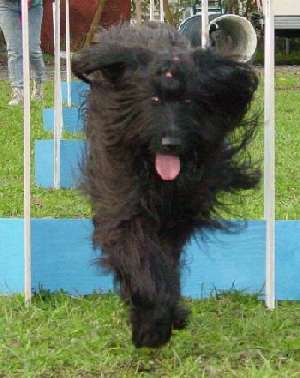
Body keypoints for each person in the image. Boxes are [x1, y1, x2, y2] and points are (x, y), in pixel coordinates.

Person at [0, 0, 46, 105]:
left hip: (33, 5)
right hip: (6, 6)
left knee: (32, 49)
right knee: (14, 50)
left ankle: (39, 83)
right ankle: (18, 91)